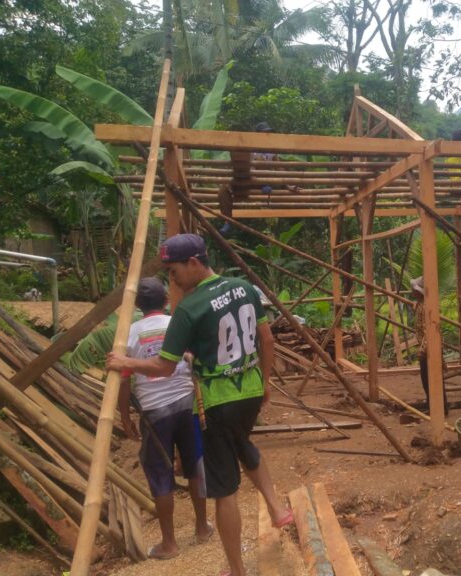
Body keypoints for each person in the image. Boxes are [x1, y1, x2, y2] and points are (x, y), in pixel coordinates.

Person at [107, 234, 292, 576]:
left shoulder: (189, 308)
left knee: (224, 489)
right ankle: (276, 507)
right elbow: (266, 340)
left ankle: (236, 570)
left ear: (193, 262)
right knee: (242, 442)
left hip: (218, 400)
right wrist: (265, 382)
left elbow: (164, 367)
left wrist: (126, 363)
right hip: (250, 389)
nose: (172, 279)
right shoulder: (245, 288)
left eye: (174, 270)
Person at [118, 277, 213, 560]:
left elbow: (124, 380)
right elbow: (192, 361)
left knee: (159, 473)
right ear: (166, 300)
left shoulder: (129, 334)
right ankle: (202, 528)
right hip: (186, 404)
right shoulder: (176, 324)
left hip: (154, 411)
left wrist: (124, 416)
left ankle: (169, 543)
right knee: (195, 465)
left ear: (138, 304)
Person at [218, 122, 299, 236]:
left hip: (264, 180)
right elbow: (245, 168)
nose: (267, 135)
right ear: (257, 135)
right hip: (248, 179)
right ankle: (227, 221)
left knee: (265, 174)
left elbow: (279, 169)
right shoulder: (250, 148)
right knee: (223, 191)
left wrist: (287, 185)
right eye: (265, 133)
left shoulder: (272, 152)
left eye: (268, 133)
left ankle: (264, 184)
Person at [411, 277, 448, 415]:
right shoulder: (421, 303)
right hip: (428, 345)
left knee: (431, 379)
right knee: (429, 379)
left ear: (419, 291)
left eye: (414, 289)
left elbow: (429, 331)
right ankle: (434, 406)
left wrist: (422, 350)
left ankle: (439, 408)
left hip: (430, 347)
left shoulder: (427, 306)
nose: (412, 291)